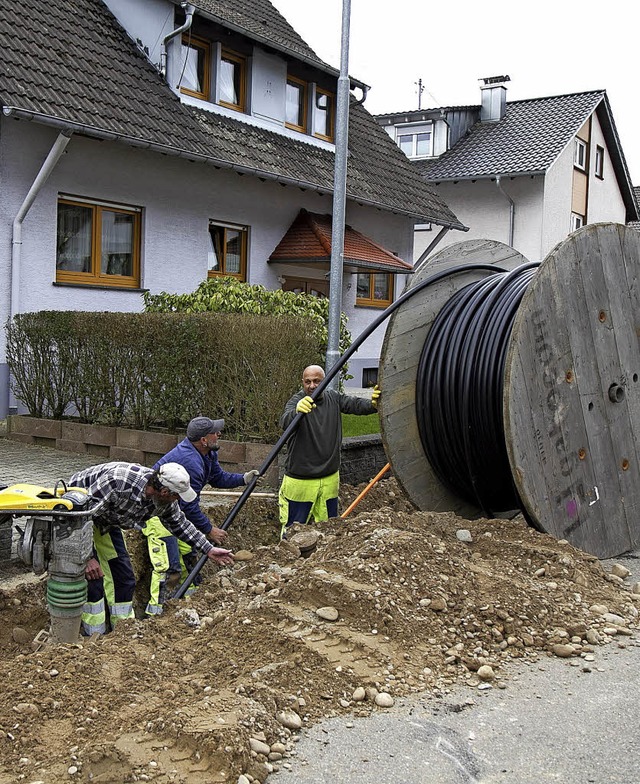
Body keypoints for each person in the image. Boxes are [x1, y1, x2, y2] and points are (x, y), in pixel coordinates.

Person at [69, 461, 234, 635]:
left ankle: (123, 634)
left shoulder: (164, 501)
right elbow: (77, 518)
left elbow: (180, 524)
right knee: (93, 580)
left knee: (124, 579)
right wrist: (86, 557)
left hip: (106, 520)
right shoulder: (117, 483)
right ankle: (92, 638)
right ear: (164, 492)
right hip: (74, 517)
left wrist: (208, 549)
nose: (177, 501)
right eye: (176, 496)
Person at [142, 416, 261, 615]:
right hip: (159, 515)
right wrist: (209, 530)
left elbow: (217, 477)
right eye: (215, 432)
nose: (219, 434)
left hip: (177, 514)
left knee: (189, 558)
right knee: (169, 568)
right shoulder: (191, 463)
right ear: (204, 440)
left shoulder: (207, 454)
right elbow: (190, 507)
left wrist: (243, 479)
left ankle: (188, 607)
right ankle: (157, 616)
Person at [278, 364, 380, 537]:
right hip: (301, 482)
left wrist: (373, 404)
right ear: (302, 383)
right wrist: (296, 412)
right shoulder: (297, 401)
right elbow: (284, 422)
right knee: (293, 531)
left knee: (329, 530)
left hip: (328, 480)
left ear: (324, 381)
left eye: (317, 381)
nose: (312, 386)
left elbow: (354, 405)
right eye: (307, 382)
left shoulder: (333, 398)